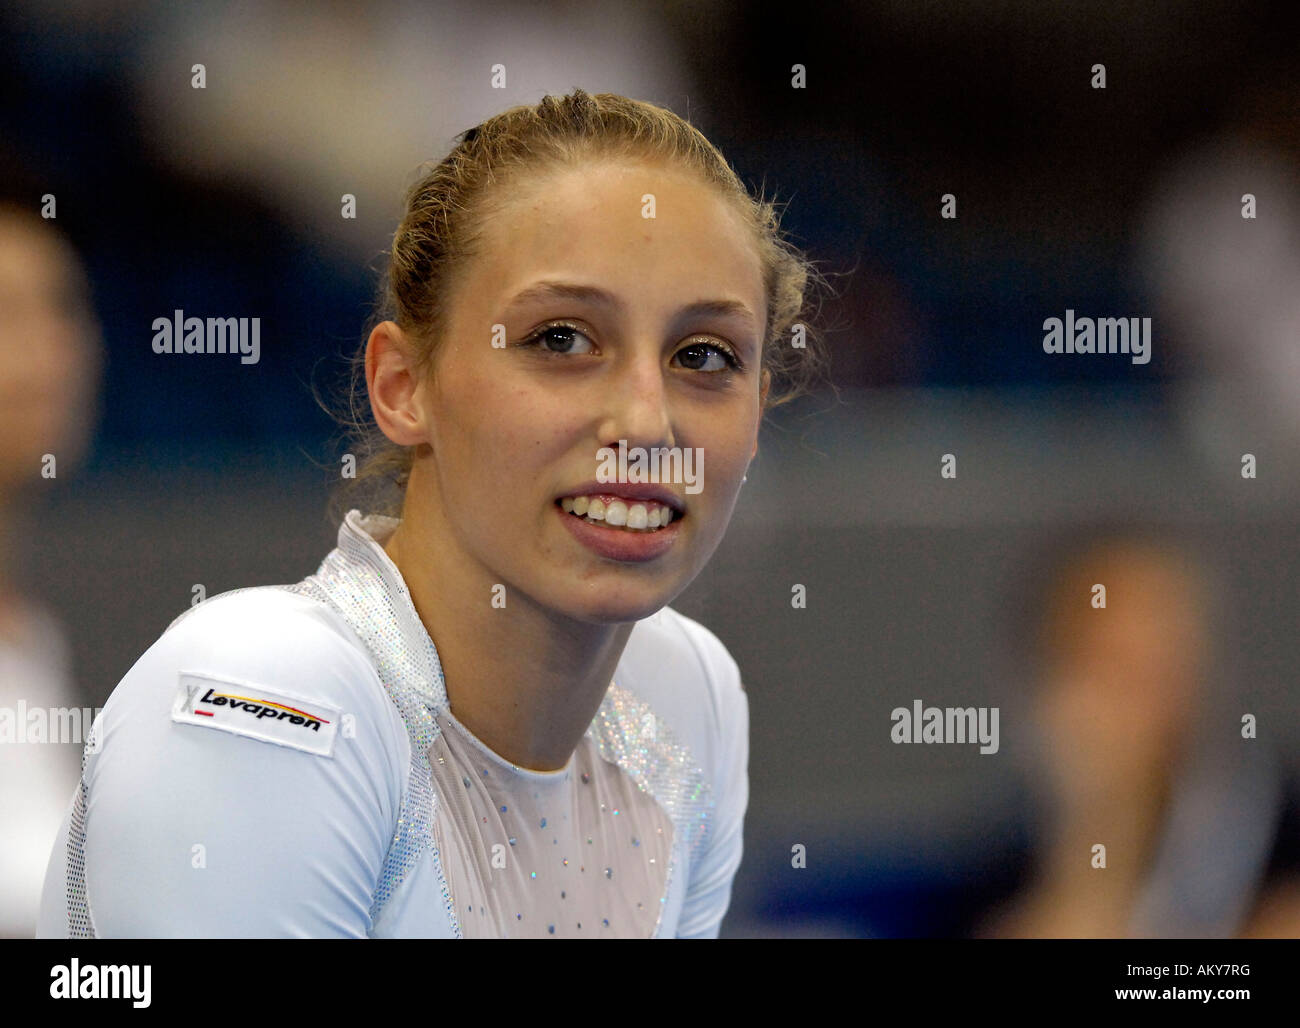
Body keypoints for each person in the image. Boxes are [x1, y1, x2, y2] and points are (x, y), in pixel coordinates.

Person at [37, 89, 828, 938]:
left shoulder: (685, 696)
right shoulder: (268, 698)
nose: (644, 423)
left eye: (704, 355)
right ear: (402, 387)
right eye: (561, 338)